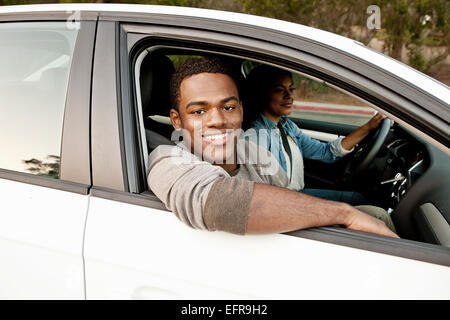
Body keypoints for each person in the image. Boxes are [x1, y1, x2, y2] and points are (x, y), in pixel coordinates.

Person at [147, 56, 398, 237]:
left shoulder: (256, 154)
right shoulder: (167, 159)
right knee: (374, 215)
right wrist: (346, 213)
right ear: (177, 120)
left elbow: (288, 201)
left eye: (228, 107)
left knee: (376, 217)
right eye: (199, 111)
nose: (217, 120)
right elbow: (217, 202)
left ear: (241, 110)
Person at [243, 65, 385, 205]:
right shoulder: (255, 137)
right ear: (262, 94)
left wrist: (368, 127)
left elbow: (325, 151)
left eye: (291, 89)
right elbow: (262, 196)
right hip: (284, 204)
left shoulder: (286, 126)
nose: (290, 96)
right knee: (358, 201)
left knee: (358, 199)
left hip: (294, 195)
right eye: (280, 90)